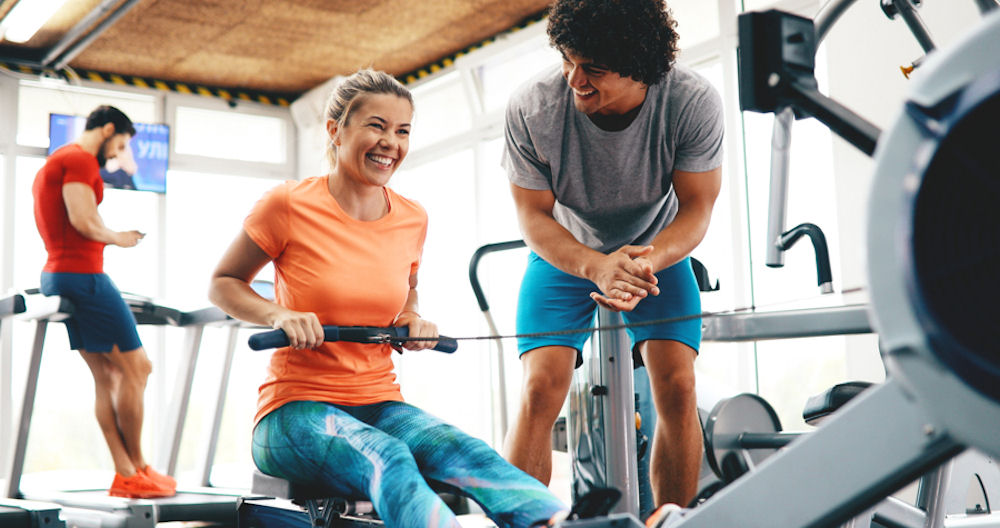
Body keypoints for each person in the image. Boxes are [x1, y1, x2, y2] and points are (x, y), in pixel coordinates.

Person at [209, 69, 568, 528]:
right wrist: (280, 314)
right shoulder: (287, 205)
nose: (390, 143)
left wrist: (411, 317)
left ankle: (559, 522)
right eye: (376, 126)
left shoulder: (412, 218)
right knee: (387, 456)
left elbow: (408, 287)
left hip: (379, 403)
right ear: (336, 130)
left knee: (462, 449)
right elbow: (223, 281)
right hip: (292, 412)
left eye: (402, 131)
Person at [501, 0, 724, 509]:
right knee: (540, 389)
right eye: (567, 59)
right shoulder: (532, 107)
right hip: (563, 251)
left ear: (640, 67)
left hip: (655, 249)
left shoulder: (691, 101)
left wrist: (643, 262)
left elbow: (696, 210)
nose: (575, 78)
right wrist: (596, 265)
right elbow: (532, 218)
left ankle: (670, 522)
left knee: (678, 385)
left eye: (594, 69)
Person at [32, 105, 176, 498]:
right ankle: (139, 466)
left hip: (61, 274)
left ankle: (126, 472)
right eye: (120, 144)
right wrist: (120, 237)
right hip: (84, 276)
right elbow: (82, 220)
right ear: (109, 129)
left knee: (108, 376)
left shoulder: (60, 160)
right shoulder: (78, 159)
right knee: (139, 368)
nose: (116, 154)